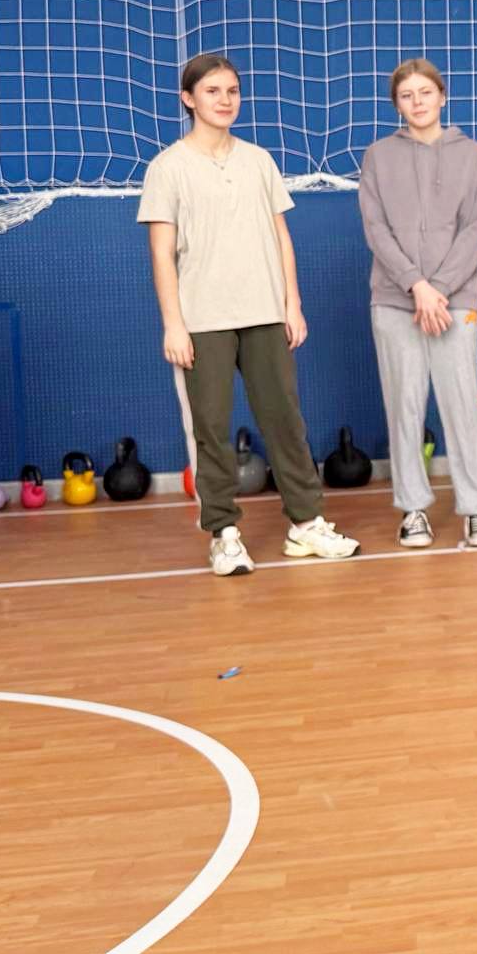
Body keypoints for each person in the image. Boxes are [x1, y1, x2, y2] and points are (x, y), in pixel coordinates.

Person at [138, 53, 360, 575]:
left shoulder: (259, 161)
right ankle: (224, 534)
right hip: (202, 321)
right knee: (211, 429)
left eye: (232, 91)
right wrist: (174, 324)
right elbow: (161, 254)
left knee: (285, 421)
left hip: (265, 312)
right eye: (212, 91)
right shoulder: (167, 168)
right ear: (188, 99)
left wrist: (292, 303)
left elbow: (281, 238)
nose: (225, 100)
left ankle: (306, 525)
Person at [358, 58, 477, 550]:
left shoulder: (473, 155)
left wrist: (437, 287)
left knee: (461, 403)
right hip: (395, 301)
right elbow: (376, 228)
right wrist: (415, 286)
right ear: (396, 105)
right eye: (407, 95)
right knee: (404, 405)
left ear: (442, 96)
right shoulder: (378, 156)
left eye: (425, 92)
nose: (417, 102)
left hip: (454, 300)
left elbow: (475, 228)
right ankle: (413, 509)